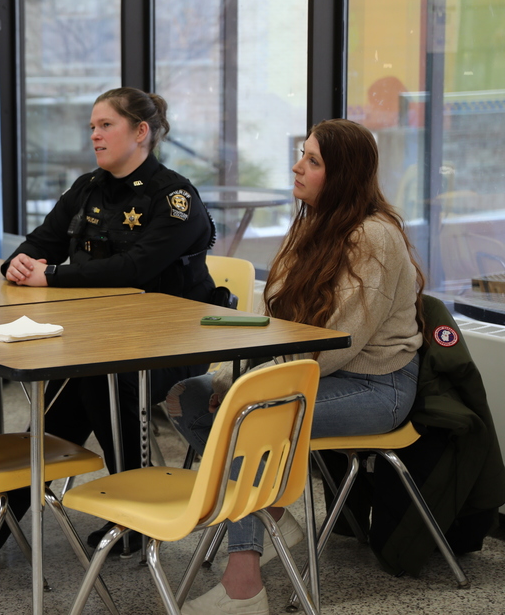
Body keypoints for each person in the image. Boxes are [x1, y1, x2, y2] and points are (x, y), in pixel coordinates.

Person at [0, 86, 218, 566]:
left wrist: (52, 275)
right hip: (96, 338)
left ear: (141, 132)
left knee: (92, 381)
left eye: (106, 126)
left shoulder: (175, 198)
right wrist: (19, 264)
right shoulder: (88, 188)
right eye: (92, 127)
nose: (95, 136)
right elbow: (40, 242)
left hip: (169, 345)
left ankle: (123, 516)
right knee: (71, 386)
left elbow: (134, 268)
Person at [167, 118, 424, 615]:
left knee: (250, 414)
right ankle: (268, 512)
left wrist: (246, 384)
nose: (296, 166)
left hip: (375, 385)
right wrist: (229, 377)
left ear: (343, 174)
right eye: (301, 154)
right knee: (187, 395)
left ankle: (244, 585)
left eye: (312, 160)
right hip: (311, 374)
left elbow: (335, 346)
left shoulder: (373, 236)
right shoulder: (310, 224)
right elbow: (272, 317)